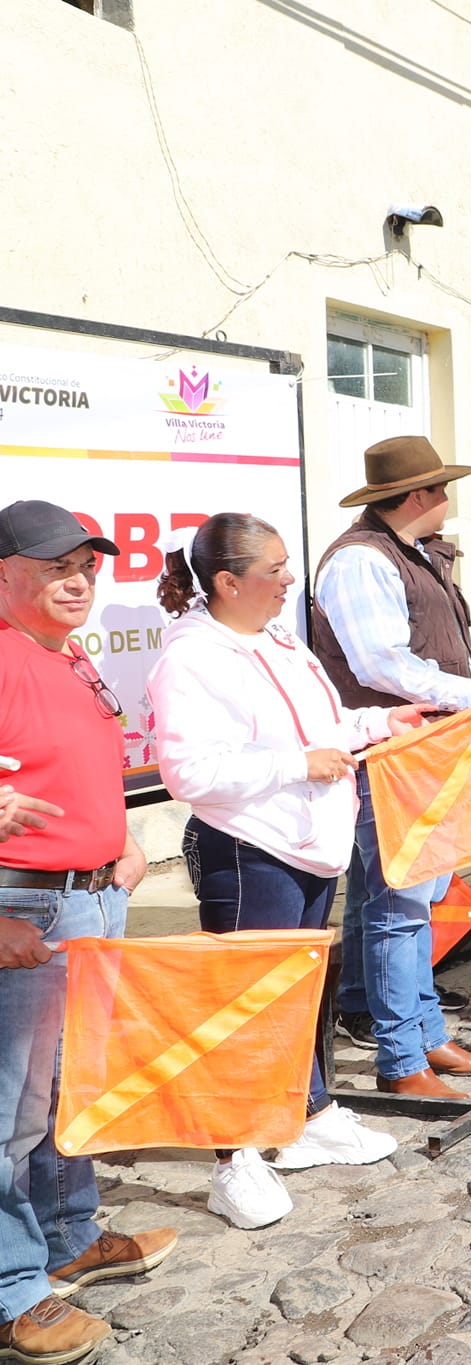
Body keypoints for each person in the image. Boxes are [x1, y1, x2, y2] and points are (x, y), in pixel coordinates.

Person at [148, 514, 413, 1230]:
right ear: (229, 582)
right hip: (248, 848)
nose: (290, 580)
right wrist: (298, 765)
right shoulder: (193, 656)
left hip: (307, 843)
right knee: (242, 1005)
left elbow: (323, 724)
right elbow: (189, 770)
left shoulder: (278, 639)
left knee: (298, 992)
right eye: (276, 570)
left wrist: (378, 725)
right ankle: (233, 1158)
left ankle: (307, 1110)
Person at [0, 500, 177, 1363]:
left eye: (89, 565)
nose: (79, 580)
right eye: (54, 565)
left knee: (73, 1088)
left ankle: (68, 1236)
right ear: (3, 573)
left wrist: (124, 838)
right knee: (10, 1111)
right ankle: (10, 1292)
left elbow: (77, 764)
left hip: (88, 896)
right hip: (22, 908)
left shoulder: (63, 652)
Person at [308, 435, 471, 1098]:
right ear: (419, 495)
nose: (448, 498)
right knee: (402, 903)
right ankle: (403, 1057)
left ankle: (423, 1034)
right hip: (392, 750)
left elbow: (440, 647)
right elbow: (381, 664)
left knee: (402, 899)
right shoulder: (363, 561)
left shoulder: (408, 553)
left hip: (419, 747)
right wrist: (468, 692)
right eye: (442, 487)